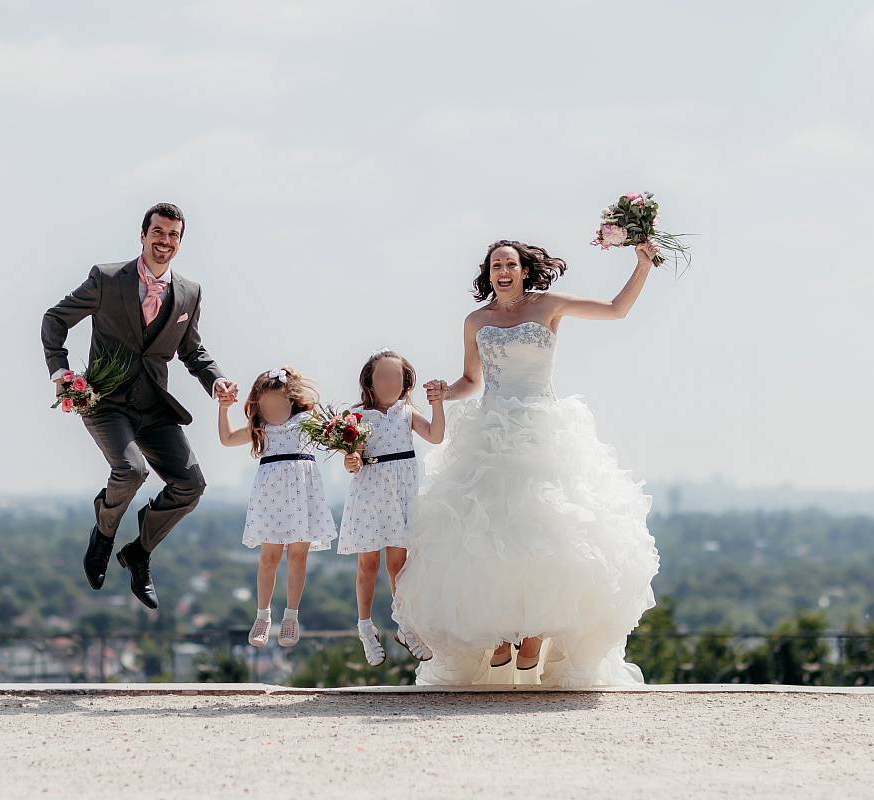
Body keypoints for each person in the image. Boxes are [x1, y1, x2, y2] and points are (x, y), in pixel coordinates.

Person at [391, 239, 662, 688]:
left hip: (542, 429)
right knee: (485, 535)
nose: (503, 270)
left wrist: (643, 264)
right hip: (489, 433)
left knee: (542, 530)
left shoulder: (549, 305)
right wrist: (444, 393)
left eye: (510, 264)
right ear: (488, 272)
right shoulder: (476, 320)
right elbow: (471, 380)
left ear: (523, 269)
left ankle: (535, 633)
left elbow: (616, 310)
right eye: (496, 264)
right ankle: (498, 635)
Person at [41, 202, 237, 610]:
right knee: (131, 470)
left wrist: (216, 379)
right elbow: (54, 320)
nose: (165, 241)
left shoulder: (189, 293)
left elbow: (193, 352)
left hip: (155, 406)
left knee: (191, 485)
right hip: (106, 402)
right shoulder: (107, 279)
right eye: (158, 232)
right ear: (143, 234)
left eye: (173, 235)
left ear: (180, 242)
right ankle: (104, 532)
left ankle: (139, 552)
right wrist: (60, 372)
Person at [337, 349, 444, 666]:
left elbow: (436, 436)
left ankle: (405, 624)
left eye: (395, 376)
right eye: (382, 376)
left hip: (401, 496)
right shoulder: (355, 416)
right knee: (367, 565)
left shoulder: (407, 412)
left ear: (405, 380)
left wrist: (438, 403)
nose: (388, 382)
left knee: (399, 564)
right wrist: (351, 458)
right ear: (369, 380)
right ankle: (366, 627)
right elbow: (352, 460)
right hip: (370, 495)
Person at [219, 367, 337, 647]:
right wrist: (223, 409)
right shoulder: (261, 428)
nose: (272, 409)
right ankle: (263, 615)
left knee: (297, 557)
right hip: (271, 499)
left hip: (302, 497)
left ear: (291, 399)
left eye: (277, 402)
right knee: (268, 557)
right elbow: (226, 439)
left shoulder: (307, 421)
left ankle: (291, 616)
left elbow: (335, 437)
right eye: (266, 405)